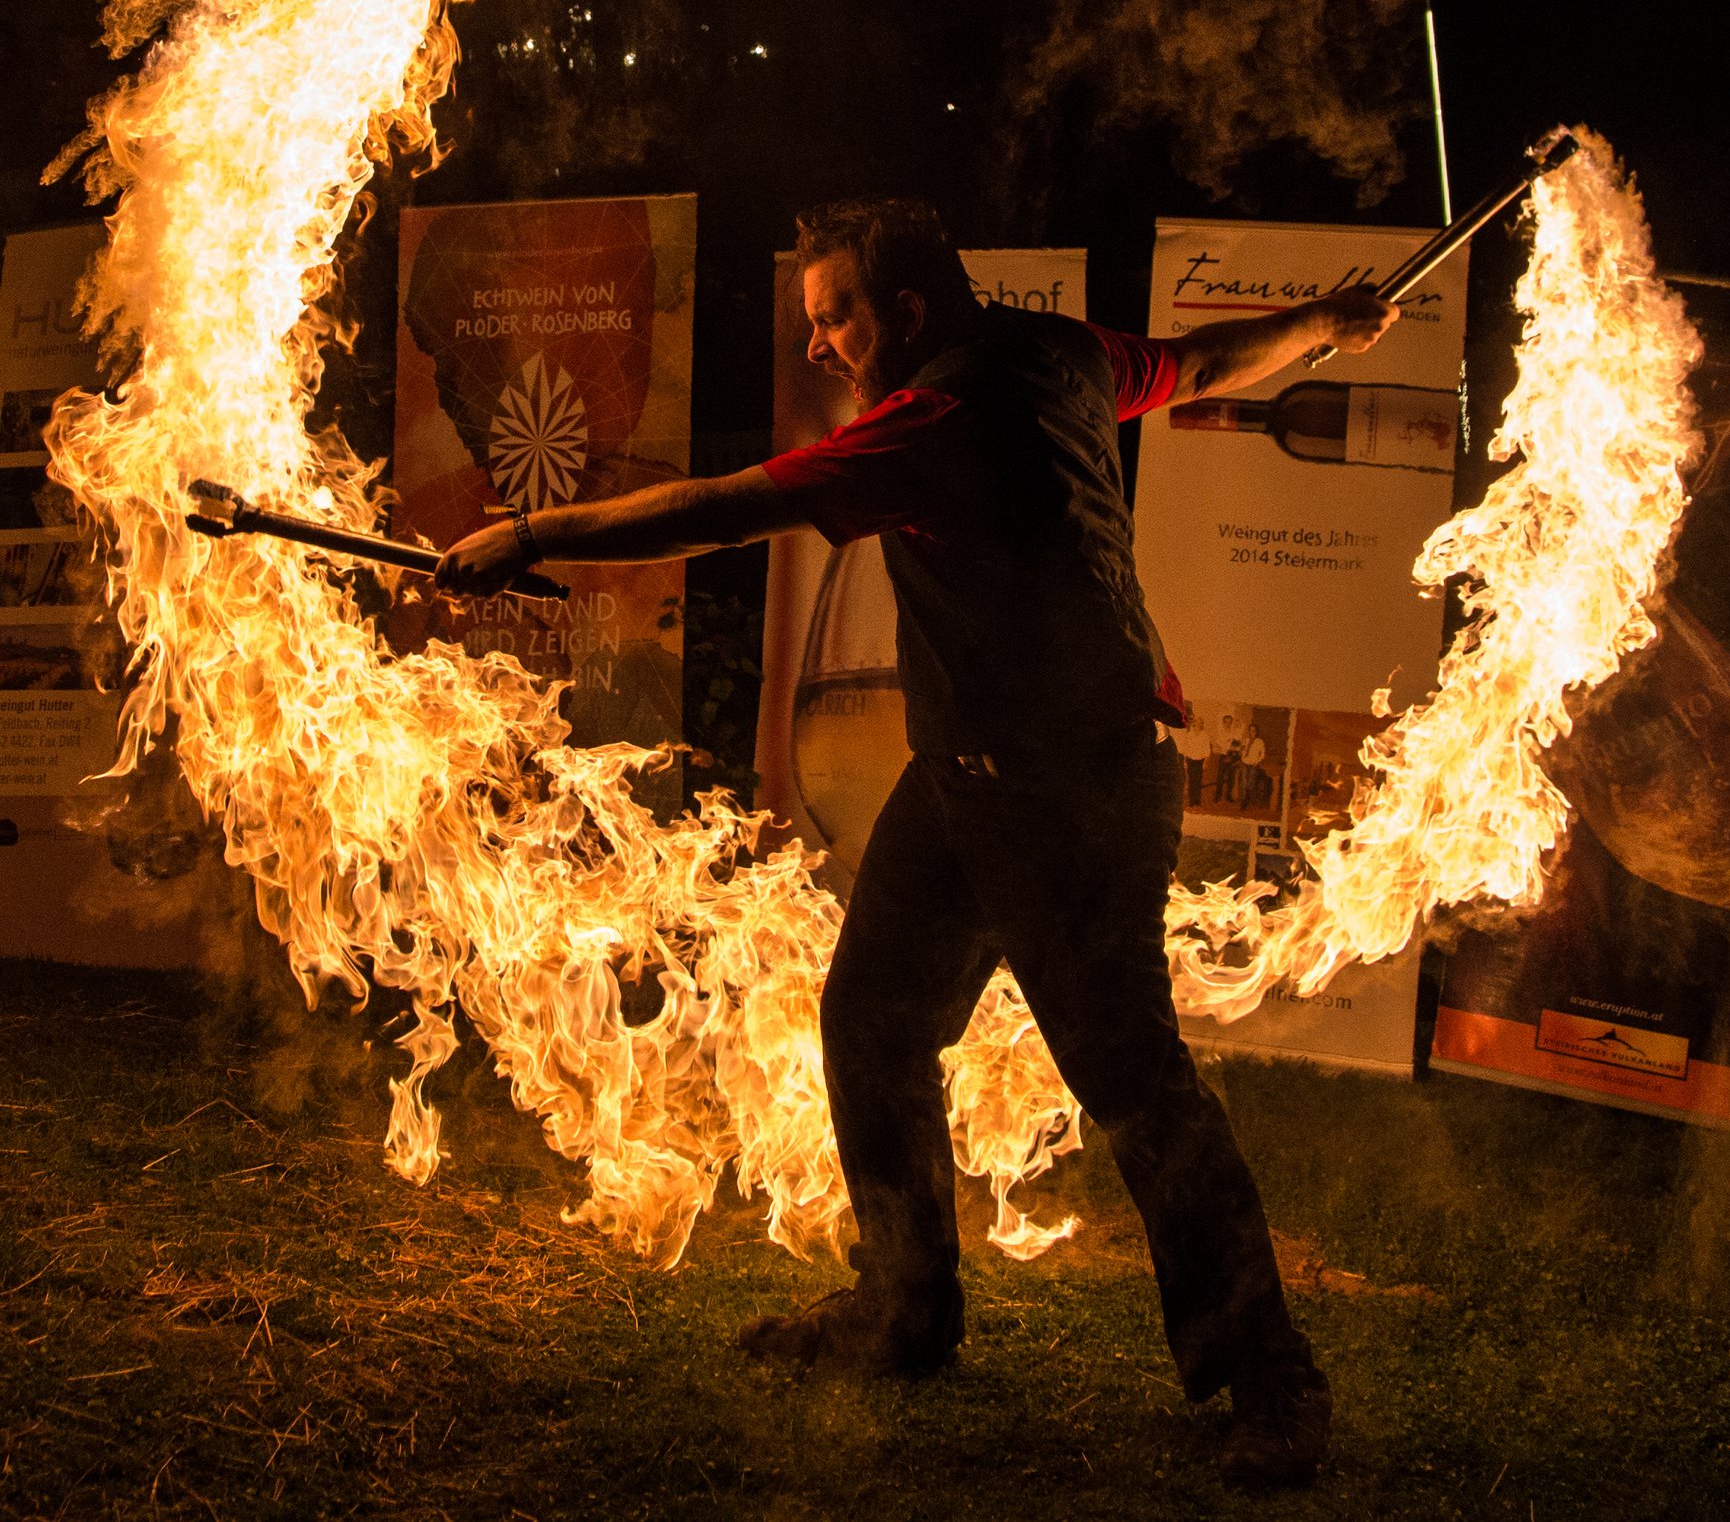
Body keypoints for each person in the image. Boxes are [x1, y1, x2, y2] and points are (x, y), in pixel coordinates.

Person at [439, 199, 1396, 1491]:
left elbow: (725, 508)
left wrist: (536, 534)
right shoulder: (1059, 356)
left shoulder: (935, 424)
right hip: (963, 786)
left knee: (1137, 1087)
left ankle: (1269, 1375)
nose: (822, 345)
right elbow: (1211, 362)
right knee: (874, 1022)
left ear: (903, 313)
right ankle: (904, 1307)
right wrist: (1330, 324)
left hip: (1077, 793)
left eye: (834, 317)